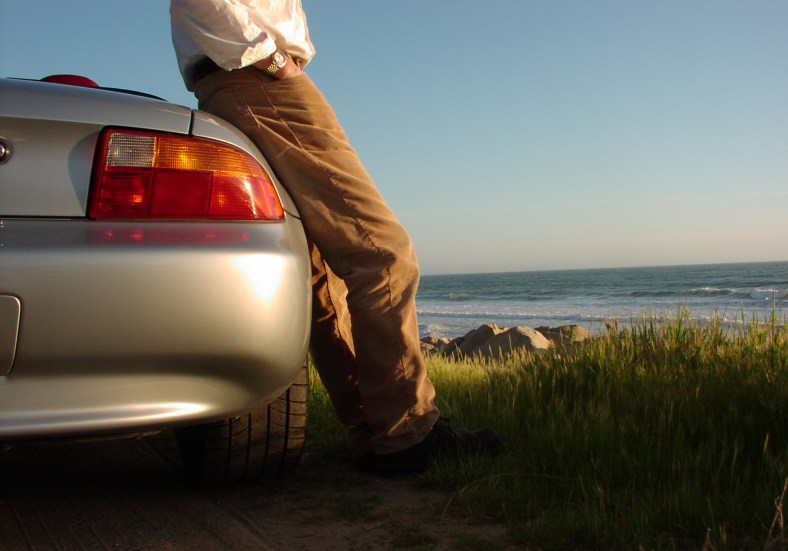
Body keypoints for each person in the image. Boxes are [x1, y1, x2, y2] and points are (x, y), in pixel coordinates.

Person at [169, 0, 502, 476]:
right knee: (384, 254)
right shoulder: (262, 68)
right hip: (256, 78)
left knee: (319, 268)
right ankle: (406, 432)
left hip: (235, 80)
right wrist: (273, 61)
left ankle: (373, 428)